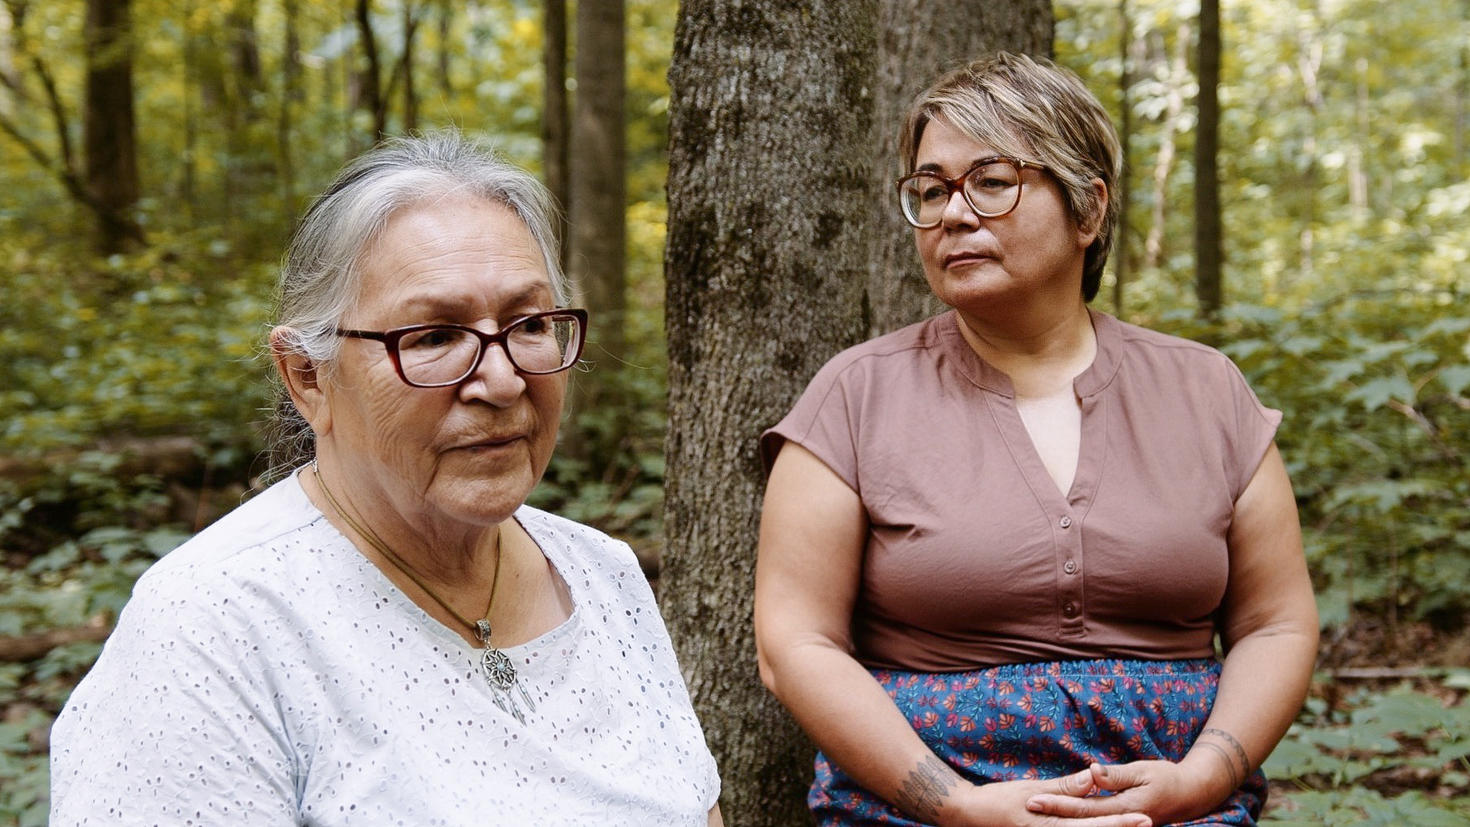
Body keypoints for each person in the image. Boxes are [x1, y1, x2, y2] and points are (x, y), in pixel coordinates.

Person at [50, 132, 722, 826]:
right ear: (308, 378)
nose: (501, 378)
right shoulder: (213, 629)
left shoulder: (602, 575)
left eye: (529, 323)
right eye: (432, 336)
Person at [754, 53, 1317, 827]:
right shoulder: (854, 397)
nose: (953, 213)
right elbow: (794, 642)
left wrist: (1203, 777)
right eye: (930, 190)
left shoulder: (1207, 391)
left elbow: (1276, 623)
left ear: (1088, 209)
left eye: (991, 181)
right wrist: (956, 803)